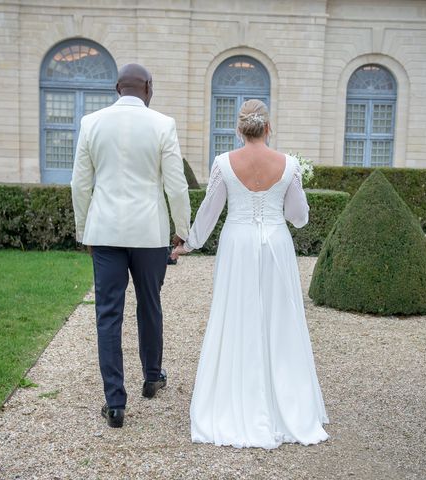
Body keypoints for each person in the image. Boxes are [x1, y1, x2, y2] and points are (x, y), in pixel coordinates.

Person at [172, 99, 329, 448]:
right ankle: (286, 405)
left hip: (237, 245)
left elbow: (210, 212)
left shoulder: (223, 163)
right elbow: (298, 216)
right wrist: (292, 187)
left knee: (234, 316)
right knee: (280, 319)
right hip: (276, 243)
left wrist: (189, 242)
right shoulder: (288, 165)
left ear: (239, 129)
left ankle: (233, 400)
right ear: (268, 128)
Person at [71, 63, 191, 428]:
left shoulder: (91, 123)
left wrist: (83, 232)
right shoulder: (162, 124)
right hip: (149, 233)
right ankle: (152, 377)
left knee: (108, 314)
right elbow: (176, 185)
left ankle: (115, 403)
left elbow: (80, 185)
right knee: (150, 304)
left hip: (105, 232)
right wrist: (182, 230)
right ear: (149, 88)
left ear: (116, 88)